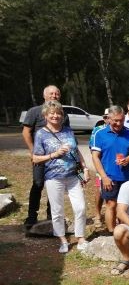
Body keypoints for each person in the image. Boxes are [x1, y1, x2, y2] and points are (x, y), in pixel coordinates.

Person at [32, 101, 89, 253]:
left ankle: (80, 237)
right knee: (57, 211)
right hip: (53, 177)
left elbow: (76, 152)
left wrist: (84, 168)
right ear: (46, 115)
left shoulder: (68, 131)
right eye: (52, 113)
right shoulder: (40, 134)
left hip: (73, 176)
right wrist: (54, 155)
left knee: (81, 207)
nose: (56, 116)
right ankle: (62, 239)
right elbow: (35, 158)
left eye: (59, 113)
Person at [22, 85, 70, 229]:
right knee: (37, 184)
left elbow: (65, 134)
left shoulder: (63, 114)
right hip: (40, 157)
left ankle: (51, 216)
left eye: (57, 94)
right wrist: (33, 152)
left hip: (57, 158)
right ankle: (31, 217)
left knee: (54, 185)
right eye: (51, 93)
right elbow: (26, 133)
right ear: (44, 96)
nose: (54, 96)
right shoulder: (34, 112)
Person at [91, 105, 129, 233]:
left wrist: (128, 160)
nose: (119, 123)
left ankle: (125, 230)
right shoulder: (99, 133)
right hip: (109, 176)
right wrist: (104, 177)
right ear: (109, 119)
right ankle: (112, 232)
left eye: (121, 120)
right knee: (111, 205)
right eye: (115, 121)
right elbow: (95, 157)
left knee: (124, 206)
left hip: (128, 177)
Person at [89, 109, 110, 228]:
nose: (108, 120)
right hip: (101, 167)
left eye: (110, 117)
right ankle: (97, 214)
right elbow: (93, 149)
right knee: (99, 190)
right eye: (106, 117)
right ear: (104, 118)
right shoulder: (97, 130)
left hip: (115, 166)